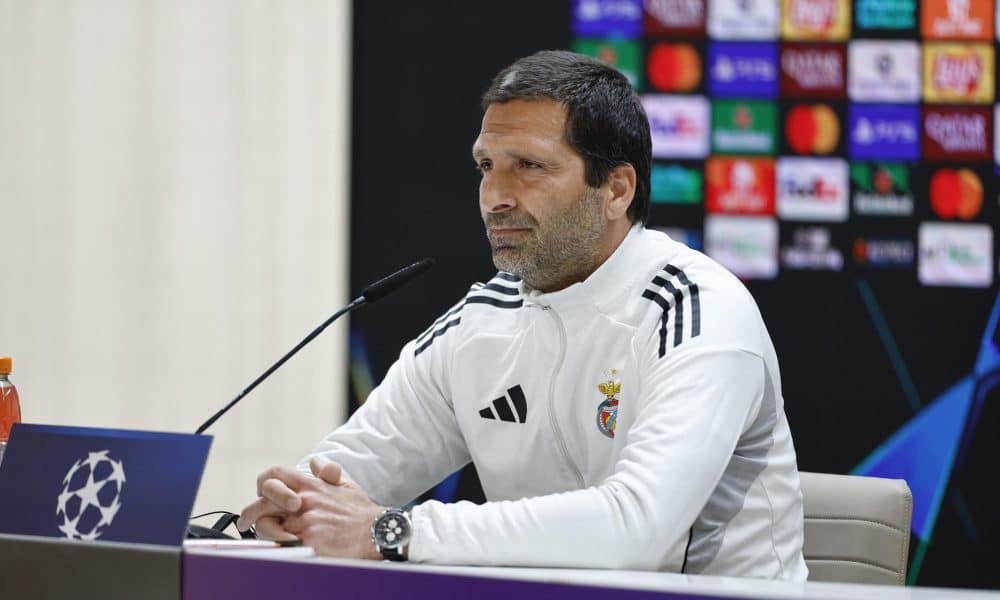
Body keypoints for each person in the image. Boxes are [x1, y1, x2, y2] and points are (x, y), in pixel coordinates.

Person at [238, 50, 808, 579]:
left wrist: (392, 530)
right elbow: (346, 475)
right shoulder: (482, 322)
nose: (494, 195)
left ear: (616, 190)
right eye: (486, 165)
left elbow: (635, 532)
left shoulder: (697, 310)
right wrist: (295, 505)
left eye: (528, 166)